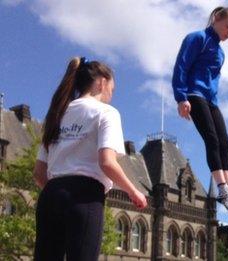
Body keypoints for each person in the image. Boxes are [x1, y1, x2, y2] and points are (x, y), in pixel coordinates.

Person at [33, 57, 148, 261]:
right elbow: (107, 162)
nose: (111, 95)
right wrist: (134, 192)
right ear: (102, 82)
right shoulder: (106, 112)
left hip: (50, 196)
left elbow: (39, 174)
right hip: (84, 196)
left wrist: (59, 192)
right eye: (112, 89)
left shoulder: (55, 115)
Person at [171, 6, 228, 216]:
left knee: (225, 143)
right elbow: (181, 66)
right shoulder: (197, 38)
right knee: (211, 138)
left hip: (211, 100)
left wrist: (214, 102)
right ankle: (221, 188)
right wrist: (181, 97)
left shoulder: (221, 52)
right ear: (217, 19)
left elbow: (214, 80)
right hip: (194, 94)